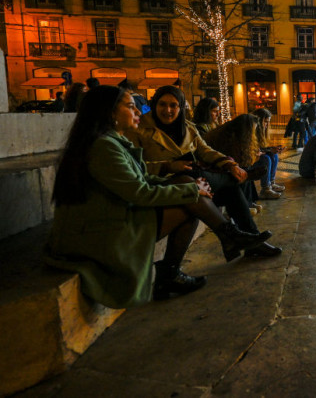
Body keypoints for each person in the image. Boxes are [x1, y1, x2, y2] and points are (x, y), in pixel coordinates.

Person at [44, 86, 270, 308]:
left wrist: (223, 166)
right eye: (131, 107)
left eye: (174, 105)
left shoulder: (113, 141)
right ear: (110, 112)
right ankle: (228, 236)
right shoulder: (106, 146)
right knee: (194, 195)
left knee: (193, 188)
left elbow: (146, 176)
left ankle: (227, 236)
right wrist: (180, 178)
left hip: (120, 213)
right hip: (103, 231)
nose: (137, 113)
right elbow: (140, 191)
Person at [127, 85, 281, 259]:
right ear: (154, 105)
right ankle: (236, 235)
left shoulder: (187, 127)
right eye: (162, 104)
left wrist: (229, 165)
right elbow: (133, 167)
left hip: (193, 180)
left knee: (229, 189)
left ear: (181, 106)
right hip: (166, 184)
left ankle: (242, 240)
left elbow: (206, 150)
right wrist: (166, 166)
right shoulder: (138, 130)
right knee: (214, 181)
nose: (167, 110)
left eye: (173, 105)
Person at [251, 108, 286, 198]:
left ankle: (271, 183)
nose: (267, 125)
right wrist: (269, 150)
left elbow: (261, 148)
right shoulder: (251, 131)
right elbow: (253, 150)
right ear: (258, 121)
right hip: (248, 159)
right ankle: (265, 189)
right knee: (266, 159)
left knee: (274, 155)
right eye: (265, 122)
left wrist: (272, 149)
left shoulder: (261, 132)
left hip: (255, 156)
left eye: (268, 122)